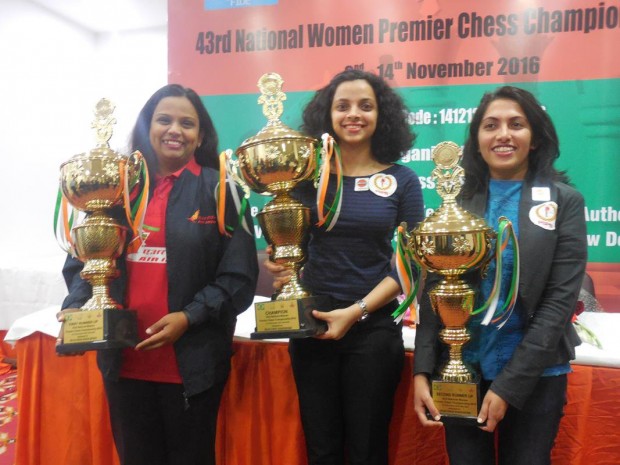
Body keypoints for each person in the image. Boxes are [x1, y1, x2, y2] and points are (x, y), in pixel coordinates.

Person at [59, 84, 259, 465]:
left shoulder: (222, 190)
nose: (174, 130)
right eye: (164, 120)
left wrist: (189, 316)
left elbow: (239, 278)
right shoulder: (117, 189)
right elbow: (82, 262)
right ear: (147, 126)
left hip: (192, 366)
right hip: (124, 363)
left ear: (201, 135)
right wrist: (78, 308)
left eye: (187, 123)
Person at [413, 86, 587, 465]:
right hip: (462, 369)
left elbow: (558, 303)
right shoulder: (457, 204)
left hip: (537, 374)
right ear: (477, 141)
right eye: (491, 125)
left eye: (516, 124)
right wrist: (422, 369)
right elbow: (435, 291)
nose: (503, 134)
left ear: (535, 138)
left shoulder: (564, 202)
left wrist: (509, 386)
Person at [266, 69, 425, 465]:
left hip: (372, 326)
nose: (354, 114)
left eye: (365, 106)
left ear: (381, 115)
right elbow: (291, 245)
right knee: (321, 447)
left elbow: (411, 264)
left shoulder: (402, 180)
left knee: (368, 448)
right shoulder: (305, 179)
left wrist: (356, 312)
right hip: (313, 322)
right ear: (328, 114)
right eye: (343, 106)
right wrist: (280, 262)